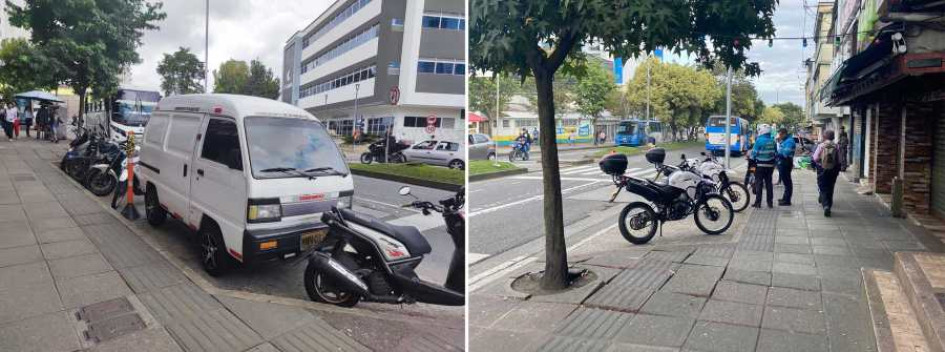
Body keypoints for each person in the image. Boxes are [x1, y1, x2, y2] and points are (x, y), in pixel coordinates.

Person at [813, 130, 841, 217]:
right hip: (833, 170)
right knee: (830, 187)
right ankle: (829, 204)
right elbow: (839, 160)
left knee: (823, 187)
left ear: (825, 137)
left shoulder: (821, 146)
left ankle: (826, 206)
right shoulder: (836, 146)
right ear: (833, 137)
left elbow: (815, 158)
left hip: (822, 169)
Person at [750, 124, 777, 208]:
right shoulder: (773, 141)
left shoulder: (759, 141)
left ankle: (758, 203)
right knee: (769, 184)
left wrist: (751, 164)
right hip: (770, 166)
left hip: (760, 166)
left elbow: (753, 154)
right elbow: (776, 153)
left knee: (759, 184)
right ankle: (770, 203)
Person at [776, 128, 796, 206]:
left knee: (787, 183)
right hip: (783, 162)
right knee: (785, 182)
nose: (779, 136)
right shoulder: (785, 141)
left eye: (780, 134)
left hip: (786, 163)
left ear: (784, 134)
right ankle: (785, 198)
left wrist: (777, 154)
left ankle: (787, 200)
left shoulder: (790, 141)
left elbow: (785, 154)